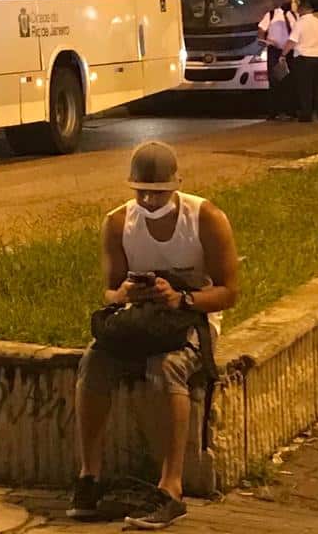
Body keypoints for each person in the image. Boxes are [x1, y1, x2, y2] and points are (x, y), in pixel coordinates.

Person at [70, 141, 239, 529]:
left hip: (191, 319)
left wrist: (181, 298)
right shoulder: (117, 223)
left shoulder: (205, 217)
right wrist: (127, 294)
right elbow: (109, 291)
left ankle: (171, 487)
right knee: (94, 362)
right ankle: (88, 478)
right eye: (141, 192)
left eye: (158, 193)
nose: (148, 200)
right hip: (139, 319)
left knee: (167, 368)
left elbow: (229, 292)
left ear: (175, 186)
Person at [284, 0, 318, 123]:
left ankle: (306, 115)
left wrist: (283, 53)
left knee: (305, 88)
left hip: (303, 59)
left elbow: (292, 41)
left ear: (302, 10)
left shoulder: (299, 24)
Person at [256, 0, 296, 120]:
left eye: (289, 0)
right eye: (285, 0)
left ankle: (290, 110)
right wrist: (263, 41)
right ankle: (274, 111)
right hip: (275, 50)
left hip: (289, 51)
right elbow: (262, 28)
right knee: (275, 81)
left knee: (289, 81)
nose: (287, 2)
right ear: (280, 1)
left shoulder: (294, 16)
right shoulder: (271, 15)